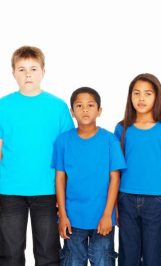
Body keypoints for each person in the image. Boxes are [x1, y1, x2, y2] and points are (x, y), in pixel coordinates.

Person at [0, 45, 74, 266]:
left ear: (43, 71)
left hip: (48, 190)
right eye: (21, 69)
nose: (28, 74)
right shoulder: (3, 106)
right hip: (9, 190)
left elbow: (68, 153)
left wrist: (66, 193)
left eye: (33, 68)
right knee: (9, 253)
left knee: (48, 253)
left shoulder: (58, 106)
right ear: (13, 72)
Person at [53, 87, 126, 265]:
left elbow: (115, 178)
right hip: (73, 219)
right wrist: (62, 215)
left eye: (90, 105)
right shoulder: (63, 141)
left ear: (99, 110)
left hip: (102, 218)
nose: (85, 109)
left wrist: (108, 214)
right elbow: (60, 178)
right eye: (79, 105)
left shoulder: (110, 140)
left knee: (103, 261)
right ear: (72, 112)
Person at [115, 73, 161, 266]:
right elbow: (115, 170)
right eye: (137, 93)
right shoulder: (122, 128)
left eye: (147, 93)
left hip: (156, 201)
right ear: (130, 96)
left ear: (157, 97)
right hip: (126, 198)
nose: (141, 98)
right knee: (128, 257)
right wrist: (115, 205)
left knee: (153, 257)